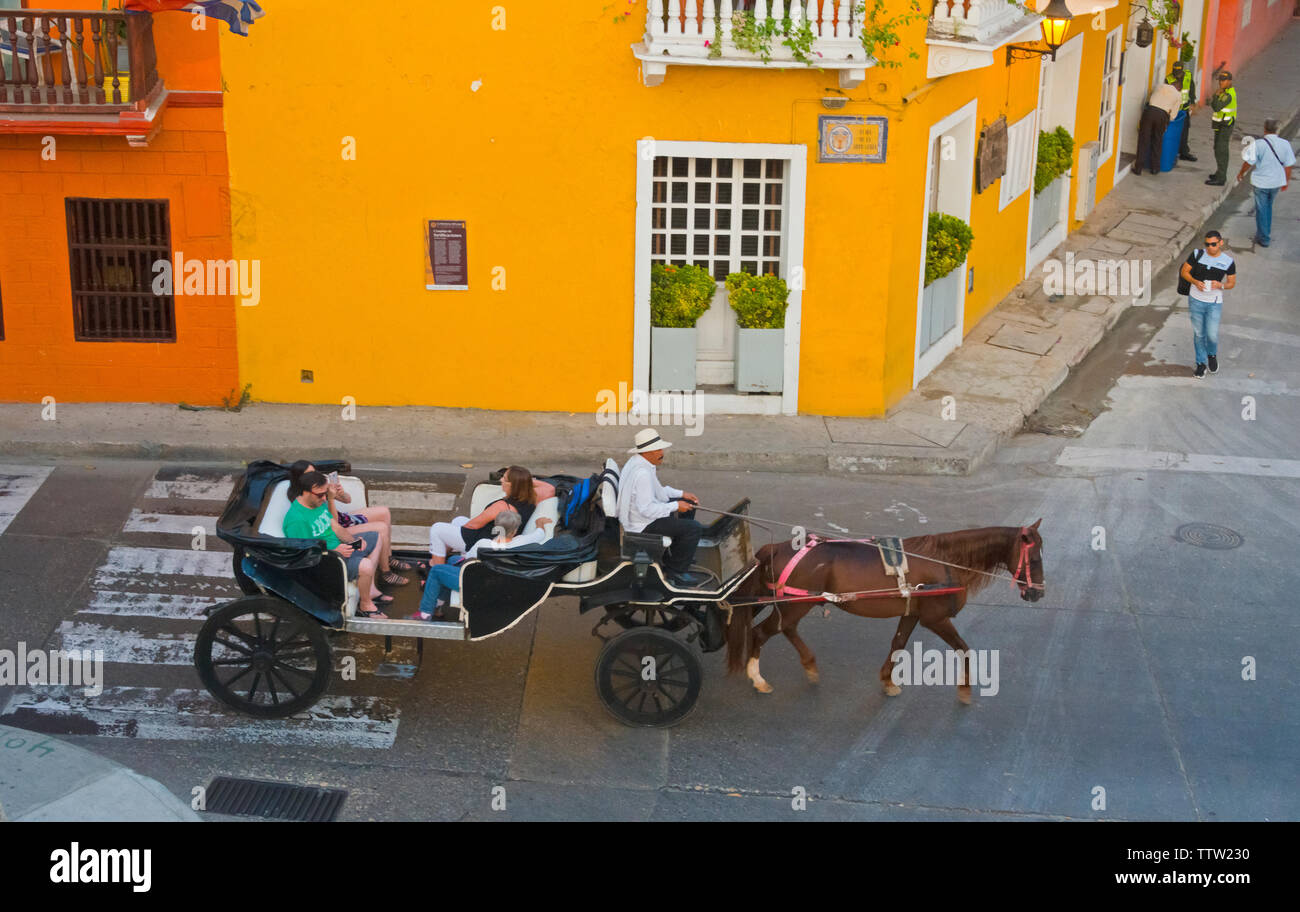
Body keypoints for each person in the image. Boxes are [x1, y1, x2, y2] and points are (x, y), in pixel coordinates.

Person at [411, 510, 553, 621]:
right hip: (494, 581)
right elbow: (539, 534)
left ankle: (425, 612)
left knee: (436, 571)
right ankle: (438, 606)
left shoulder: (483, 544)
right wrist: (540, 523)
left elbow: (468, 559)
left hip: (475, 583)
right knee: (452, 560)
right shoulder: (521, 542)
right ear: (515, 530)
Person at [287, 461, 413, 587]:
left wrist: (340, 492)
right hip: (338, 526)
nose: (313, 476)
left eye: (314, 472)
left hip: (342, 517)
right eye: (309, 474)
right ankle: (386, 573)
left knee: (384, 512)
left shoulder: (319, 485)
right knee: (381, 528)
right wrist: (330, 499)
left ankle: (388, 558)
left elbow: (347, 500)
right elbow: (333, 524)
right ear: (300, 479)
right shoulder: (307, 498)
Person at [283, 471, 389, 618]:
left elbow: (336, 527)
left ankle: (368, 587)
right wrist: (334, 549)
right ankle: (365, 604)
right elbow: (305, 552)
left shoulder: (316, 503)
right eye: (320, 494)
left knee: (376, 537)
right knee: (366, 565)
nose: (324, 498)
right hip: (327, 561)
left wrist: (353, 541)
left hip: (339, 549)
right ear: (306, 492)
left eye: (326, 493)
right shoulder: (297, 520)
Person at [617, 428, 708, 588]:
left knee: (688, 507)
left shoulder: (641, 463)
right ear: (647, 452)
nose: (662, 453)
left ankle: (680, 553)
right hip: (642, 525)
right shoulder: (642, 474)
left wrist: (682, 494)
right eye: (658, 449)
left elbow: (658, 491)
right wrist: (675, 506)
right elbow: (646, 510)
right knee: (693, 528)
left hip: (643, 516)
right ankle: (676, 572)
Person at [427, 465, 555, 565]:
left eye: (504, 478)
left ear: (512, 485)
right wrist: (526, 482)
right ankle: (441, 555)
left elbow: (472, 525)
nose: (500, 480)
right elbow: (550, 489)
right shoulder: (531, 498)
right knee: (458, 520)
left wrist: (459, 534)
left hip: (480, 540)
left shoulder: (502, 507)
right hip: (498, 535)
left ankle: (436, 566)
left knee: (437, 529)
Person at [1178, 230, 1236, 379]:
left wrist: (1220, 285)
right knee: (1199, 334)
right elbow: (1184, 272)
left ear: (1220, 243)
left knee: (1212, 334)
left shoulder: (1228, 262)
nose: (1210, 247)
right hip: (1195, 300)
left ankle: (1211, 355)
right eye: (1207, 244)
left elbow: (1231, 283)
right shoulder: (1197, 254)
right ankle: (1201, 363)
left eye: (1214, 244)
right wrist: (1195, 282)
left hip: (1214, 303)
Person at [1236, 120, 1294, 248]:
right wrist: (1286, 181)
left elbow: (1249, 162)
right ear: (1277, 129)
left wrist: (1241, 173)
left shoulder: (1258, 144)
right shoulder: (1285, 144)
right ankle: (1263, 233)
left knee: (1262, 210)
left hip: (1261, 183)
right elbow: (1288, 166)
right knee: (1267, 207)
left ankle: (1264, 237)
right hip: (1276, 183)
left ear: (1264, 129)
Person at [1134, 82, 1181, 175]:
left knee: (1143, 140)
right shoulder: (1178, 95)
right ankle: (1155, 168)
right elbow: (1173, 115)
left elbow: (1151, 97)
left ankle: (1138, 168)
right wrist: (1168, 119)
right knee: (1157, 141)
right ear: (1179, 89)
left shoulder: (1159, 85)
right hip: (1162, 115)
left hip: (1149, 111)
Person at [1206, 70, 1237, 186]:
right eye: (1220, 80)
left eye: (1223, 81)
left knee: (1221, 151)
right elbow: (1214, 105)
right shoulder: (1223, 92)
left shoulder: (1228, 94)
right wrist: (1216, 96)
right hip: (1220, 124)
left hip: (1226, 125)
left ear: (1229, 81)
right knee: (1217, 148)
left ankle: (1221, 178)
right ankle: (1219, 173)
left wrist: (1215, 95)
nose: (1220, 83)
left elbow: (1217, 107)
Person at [1166, 60, 1197, 163]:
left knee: (1185, 131)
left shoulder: (1188, 75)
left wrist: (1192, 102)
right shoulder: (1168, 79)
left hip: (1185, 109)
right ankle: (1173, 153)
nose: (1177, 76)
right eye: (1175, 73)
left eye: (1178, 74)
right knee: (1173, 132)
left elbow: (1191, 89)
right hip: (1174, 110)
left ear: (1182, 70)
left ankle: (1184, 152)